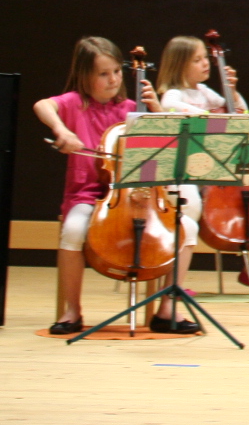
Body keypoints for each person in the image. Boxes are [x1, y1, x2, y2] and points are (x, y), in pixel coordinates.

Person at [34, 37, 180, 334]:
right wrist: (61, 129)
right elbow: (42, 105)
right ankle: (72, 311)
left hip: (136, 198)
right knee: (73, 230)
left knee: (184, 228)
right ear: (84, 76)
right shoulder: (75, 103)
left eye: (116, 71)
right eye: (103, 74)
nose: (113, 79)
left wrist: (156, 109)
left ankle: (166, 309)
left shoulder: (131, 109)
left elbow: (168, 143)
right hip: (86, 195)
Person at [155, 34, 249, 296]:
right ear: (179, 65)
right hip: (182, 174)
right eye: (197, 60)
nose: (205, 64)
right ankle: (174, 279)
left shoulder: (204, 92)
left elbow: (240, 114)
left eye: (205, 58)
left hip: (212, 172)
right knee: (190, 204)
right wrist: (208, 116)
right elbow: (171, 107)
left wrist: (232, 92)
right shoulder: (173, 94)